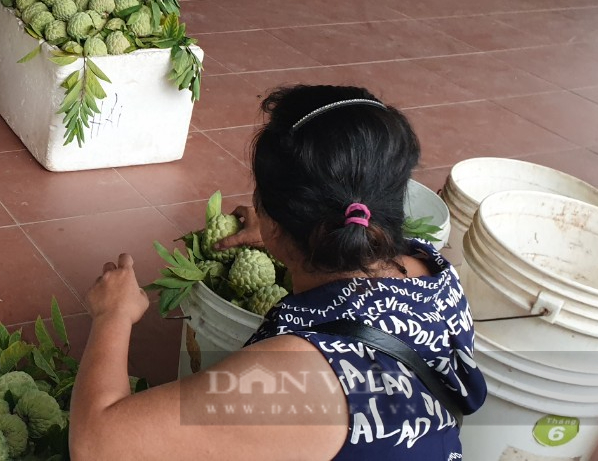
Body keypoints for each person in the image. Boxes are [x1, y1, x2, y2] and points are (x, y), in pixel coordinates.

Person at [69, 85, 487, 460]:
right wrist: (280, 232)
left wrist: (113, 316)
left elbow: (97, 444)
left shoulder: (299, 381)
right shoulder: (429, 269)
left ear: (276, 220)